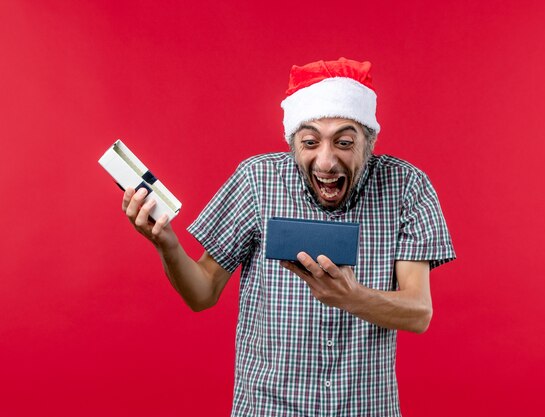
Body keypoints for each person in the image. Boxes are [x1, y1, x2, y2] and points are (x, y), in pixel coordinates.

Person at [122, 58, 456, 416]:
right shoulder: (257, 180)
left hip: (366, 408)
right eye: (310, 141)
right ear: (292, 142)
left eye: (344, 142)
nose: (326, 162)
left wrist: (351, 297)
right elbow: (202, 293)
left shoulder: (407, 187)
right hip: (268, 407)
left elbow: (419, 312)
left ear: (368, 142)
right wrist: (166, 243)